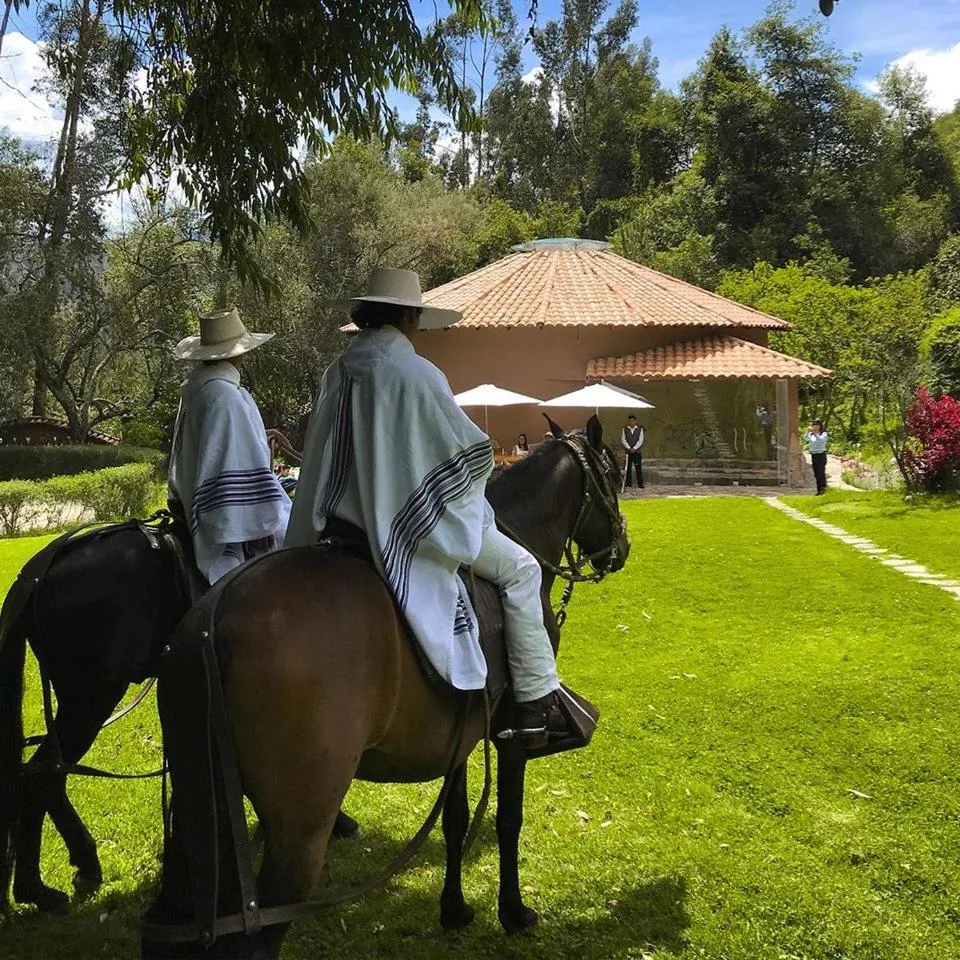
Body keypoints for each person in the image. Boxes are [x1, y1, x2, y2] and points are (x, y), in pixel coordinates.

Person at [286, 268, 571, 749]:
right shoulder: (416, 374)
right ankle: (535, 700)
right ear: (406, 316)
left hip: (337, 524)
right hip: (407, 529)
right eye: (416, 314)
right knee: (523, 568)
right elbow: (467, 452)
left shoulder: (337, 370)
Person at [169, 307, 291, 585]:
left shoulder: (199, 387)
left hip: (188, 503)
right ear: (237, 353)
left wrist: (259, 432)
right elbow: (229, 461)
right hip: (227, 521)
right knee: (299, 544)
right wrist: (258, 522)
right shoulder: (224, 396)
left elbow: (217, 445)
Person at [804, 419, 829, 495]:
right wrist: (808, 432)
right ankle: (819, 490)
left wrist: (815, 433)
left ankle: (823, 489)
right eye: (813, 425)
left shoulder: (823, 434)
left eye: (817, 425)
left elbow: (821, 440)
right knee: (816, 473)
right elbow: (806, 438)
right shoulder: (811, 434)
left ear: (820, 426)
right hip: (814, 455)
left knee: (821, 472)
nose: (815, 427)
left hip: (821, 455)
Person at [621, 414, 644, 489]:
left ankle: (640, 483)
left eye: (632, 421)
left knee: (638, 468)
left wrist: (635, 448)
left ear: (635, 421)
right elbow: (623, 439)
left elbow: (641, 440)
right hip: (628, 452)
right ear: (628, 422)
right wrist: (629, 448)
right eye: (630, 421)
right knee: (628, 468)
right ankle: (628, 483)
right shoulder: (625, 429)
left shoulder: (640, 429)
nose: (631, 422)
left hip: (637, 452)